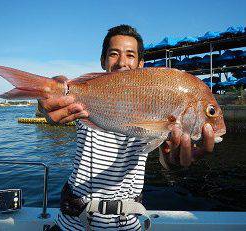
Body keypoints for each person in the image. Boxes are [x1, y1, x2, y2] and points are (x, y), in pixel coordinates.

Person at [40, 25, 215, 230]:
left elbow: (165, 159)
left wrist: (172, 161)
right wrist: (45, 105)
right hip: (74, 223)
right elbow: (54, 107)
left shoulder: (153, 103)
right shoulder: (87, 98)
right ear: (103, 61)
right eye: (114, 54)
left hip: (128, 224)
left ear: (141, 64)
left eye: (130, 55)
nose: (122, 62)